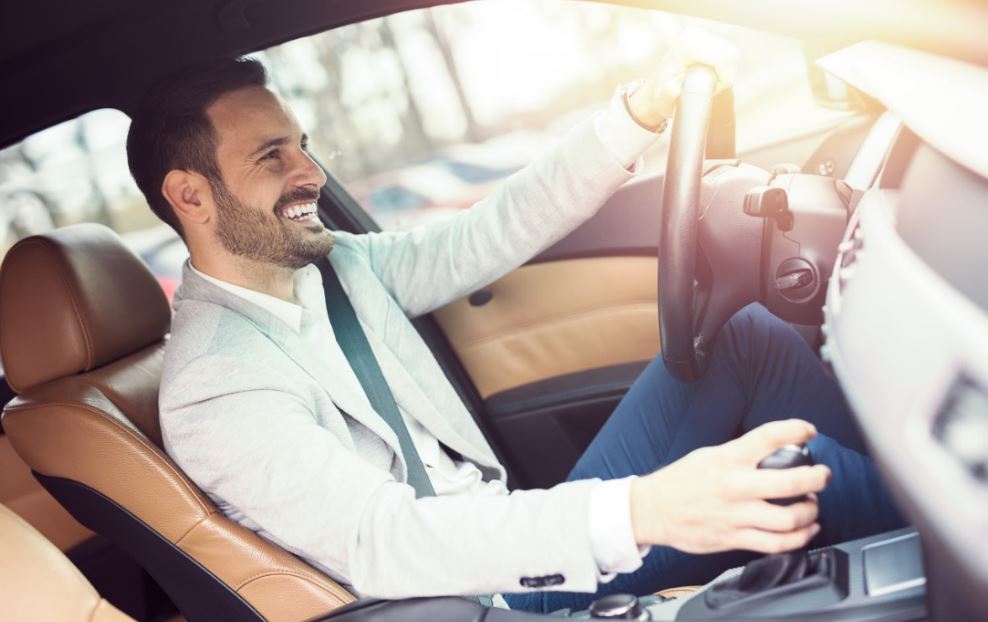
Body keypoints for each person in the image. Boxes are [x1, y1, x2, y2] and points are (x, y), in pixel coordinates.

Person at [126, 32, 904, 614]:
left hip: (502, 528)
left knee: (748, 339)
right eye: (272, 157)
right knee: (790, 469)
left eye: (303, 146)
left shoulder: (334, 266)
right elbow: (381, 544)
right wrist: (642, 511)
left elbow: (485, 235)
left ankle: (915, 497)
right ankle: (945, 532)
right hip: (479, 596)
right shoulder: (214, 386)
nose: (311, 174)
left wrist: (633, 117)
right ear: (191, 197)